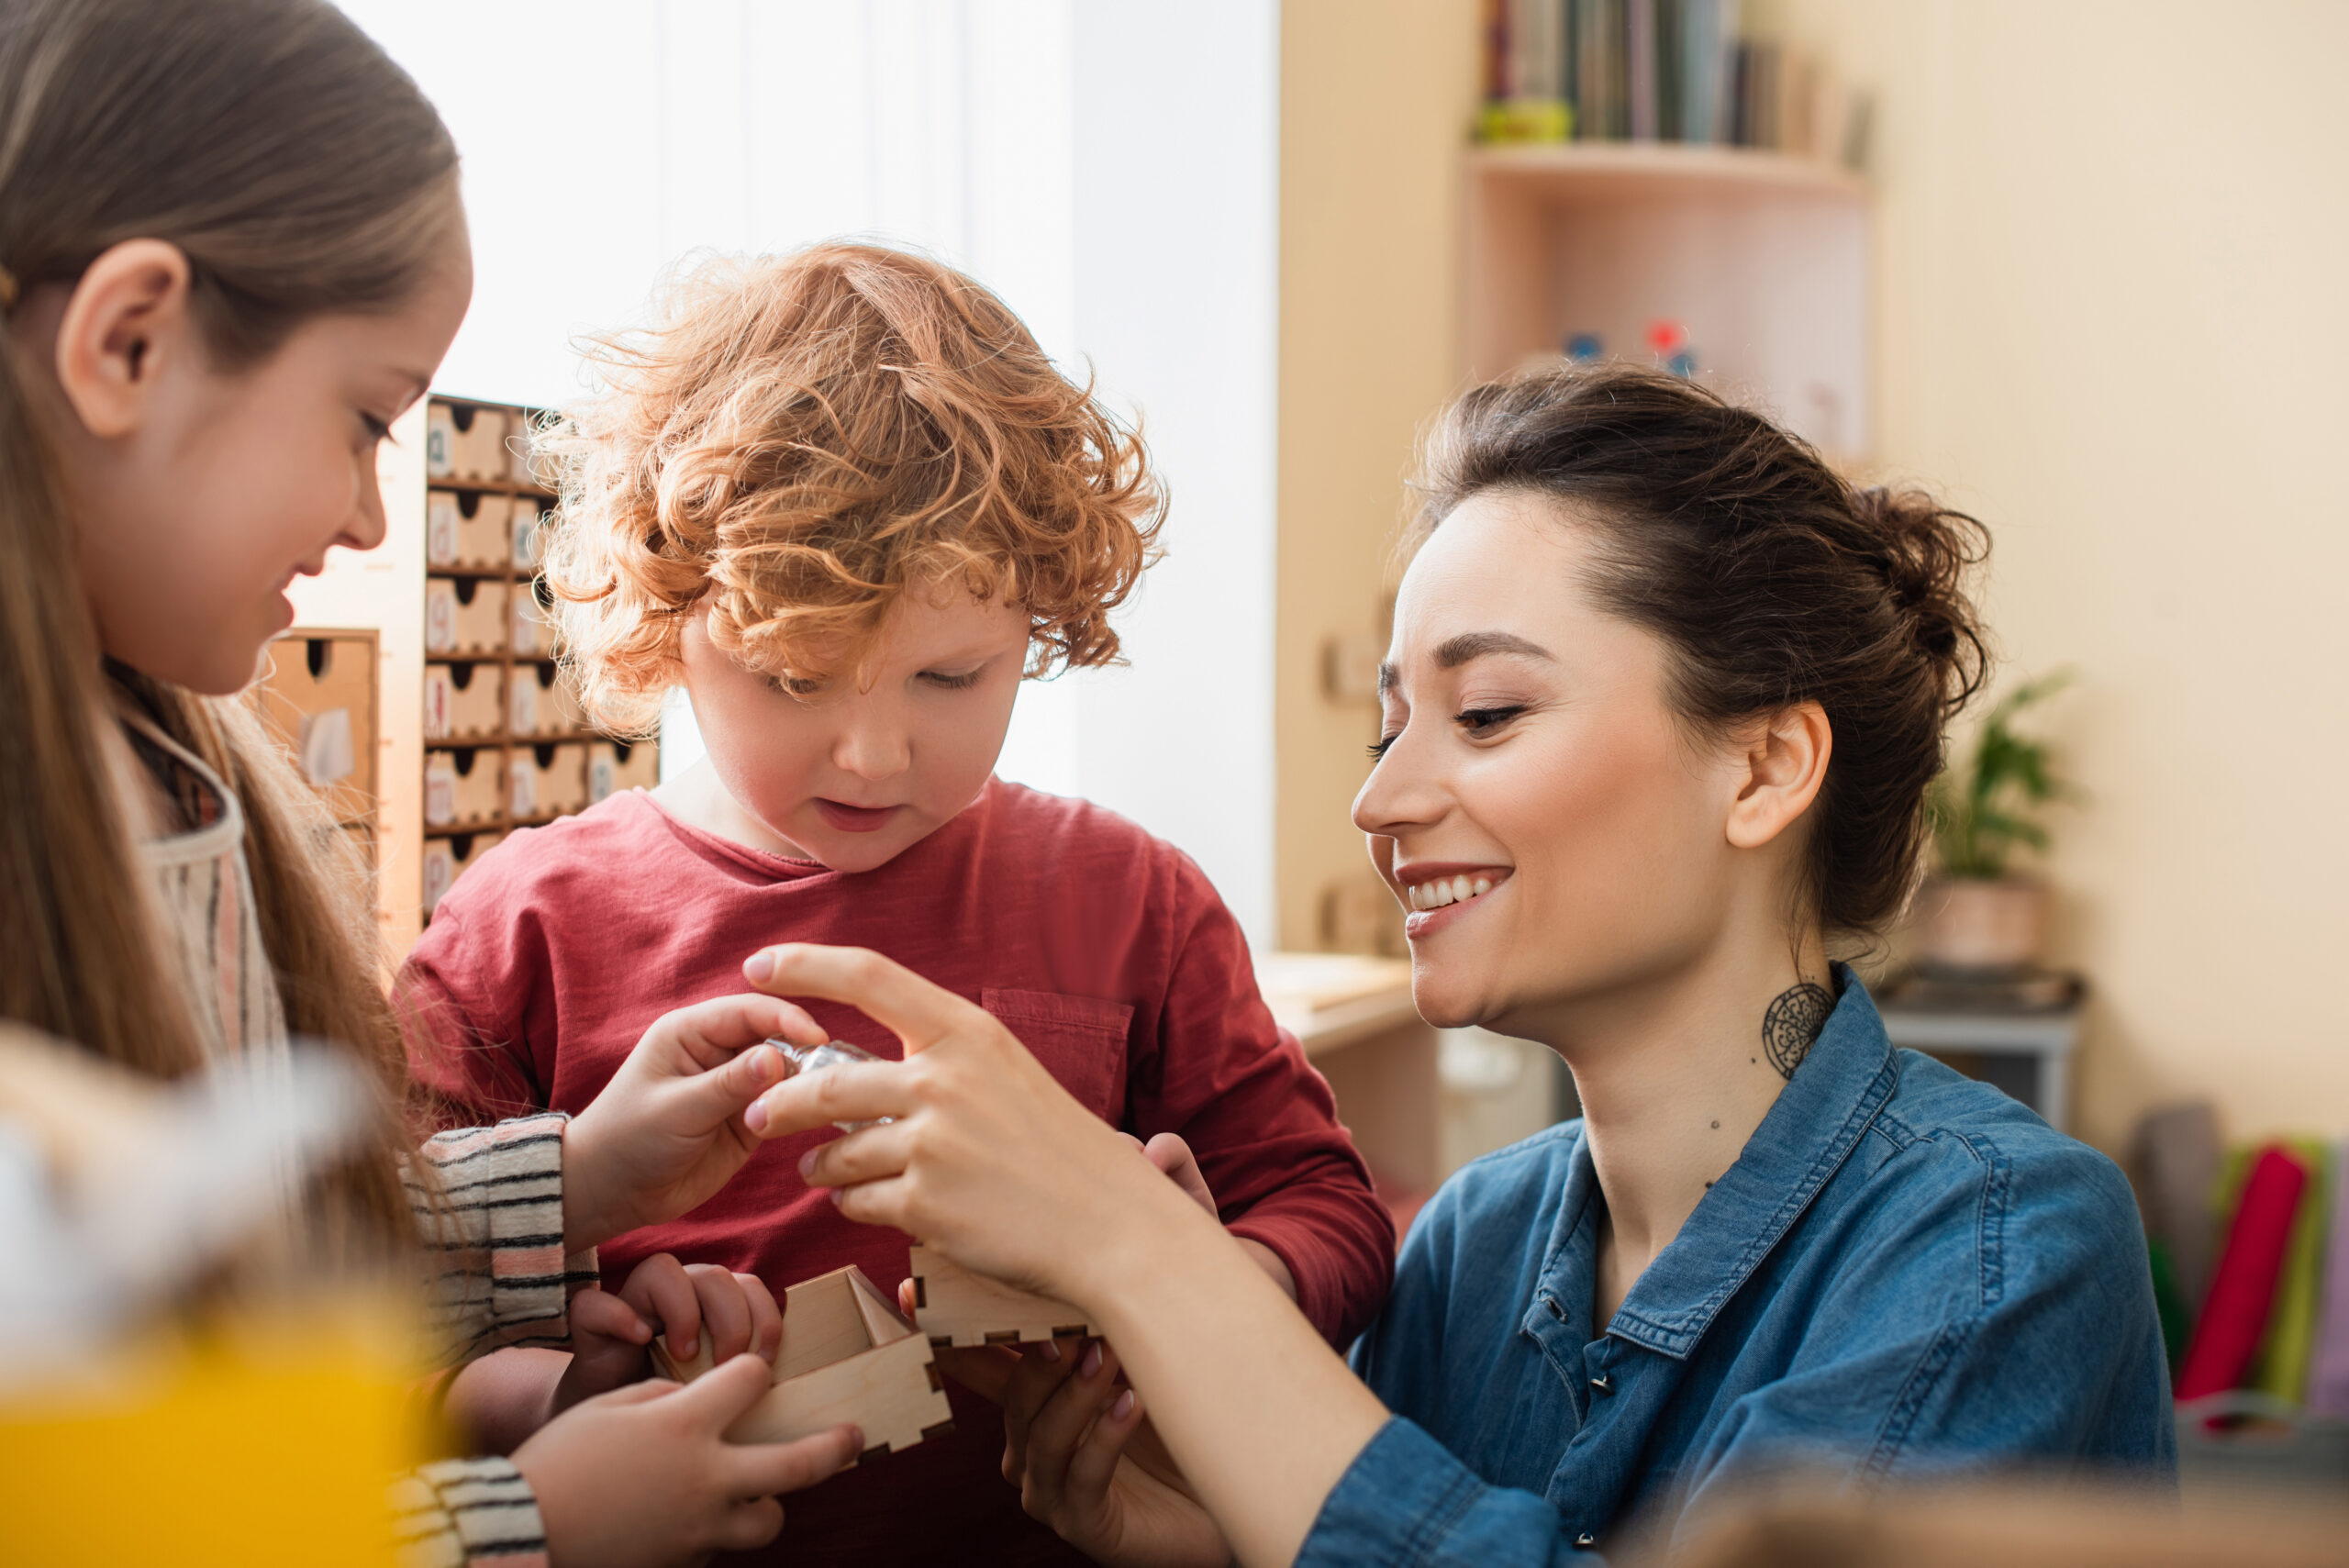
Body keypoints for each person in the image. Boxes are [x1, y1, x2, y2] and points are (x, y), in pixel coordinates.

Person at [740, 364, 2178, 1563]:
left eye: (1486, 711)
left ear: (1763, 765)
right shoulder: (1469, 1245)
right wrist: (1201, 1529)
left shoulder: (2001, 1248)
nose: (1379, 800)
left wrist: (1148, 1252)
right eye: (1389, 724)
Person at [0, 4, 864, 1562]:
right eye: (365, 421)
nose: (370, 523)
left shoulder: (159, 768)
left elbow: (218, 1303)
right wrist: (508, 1526)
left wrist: (583, 1179)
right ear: (127, 340)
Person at [404, 241, 1397, 1562]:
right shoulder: (518, 925)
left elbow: (1328, 1210)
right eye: (796, 679)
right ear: (664, 616)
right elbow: (363, 1327)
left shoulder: (1128, 899)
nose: (874, 757)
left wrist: (1187, 1280)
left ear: (1035, 623)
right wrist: (563, 1390)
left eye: (951, 678)